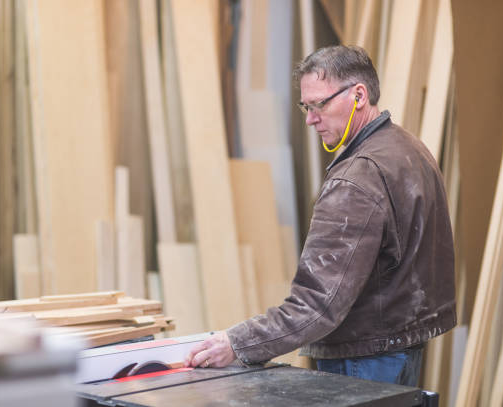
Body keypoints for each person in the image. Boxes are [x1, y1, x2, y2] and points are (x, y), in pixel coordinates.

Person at [185, 45, 456, 387]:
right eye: (306, 106)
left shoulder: (357, 179)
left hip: (362, 359)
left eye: (319, 105)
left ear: (359, 95)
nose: (311, 119)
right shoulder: (410, 149)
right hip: (399, 346)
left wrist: (238, 343)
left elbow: (316, 304)